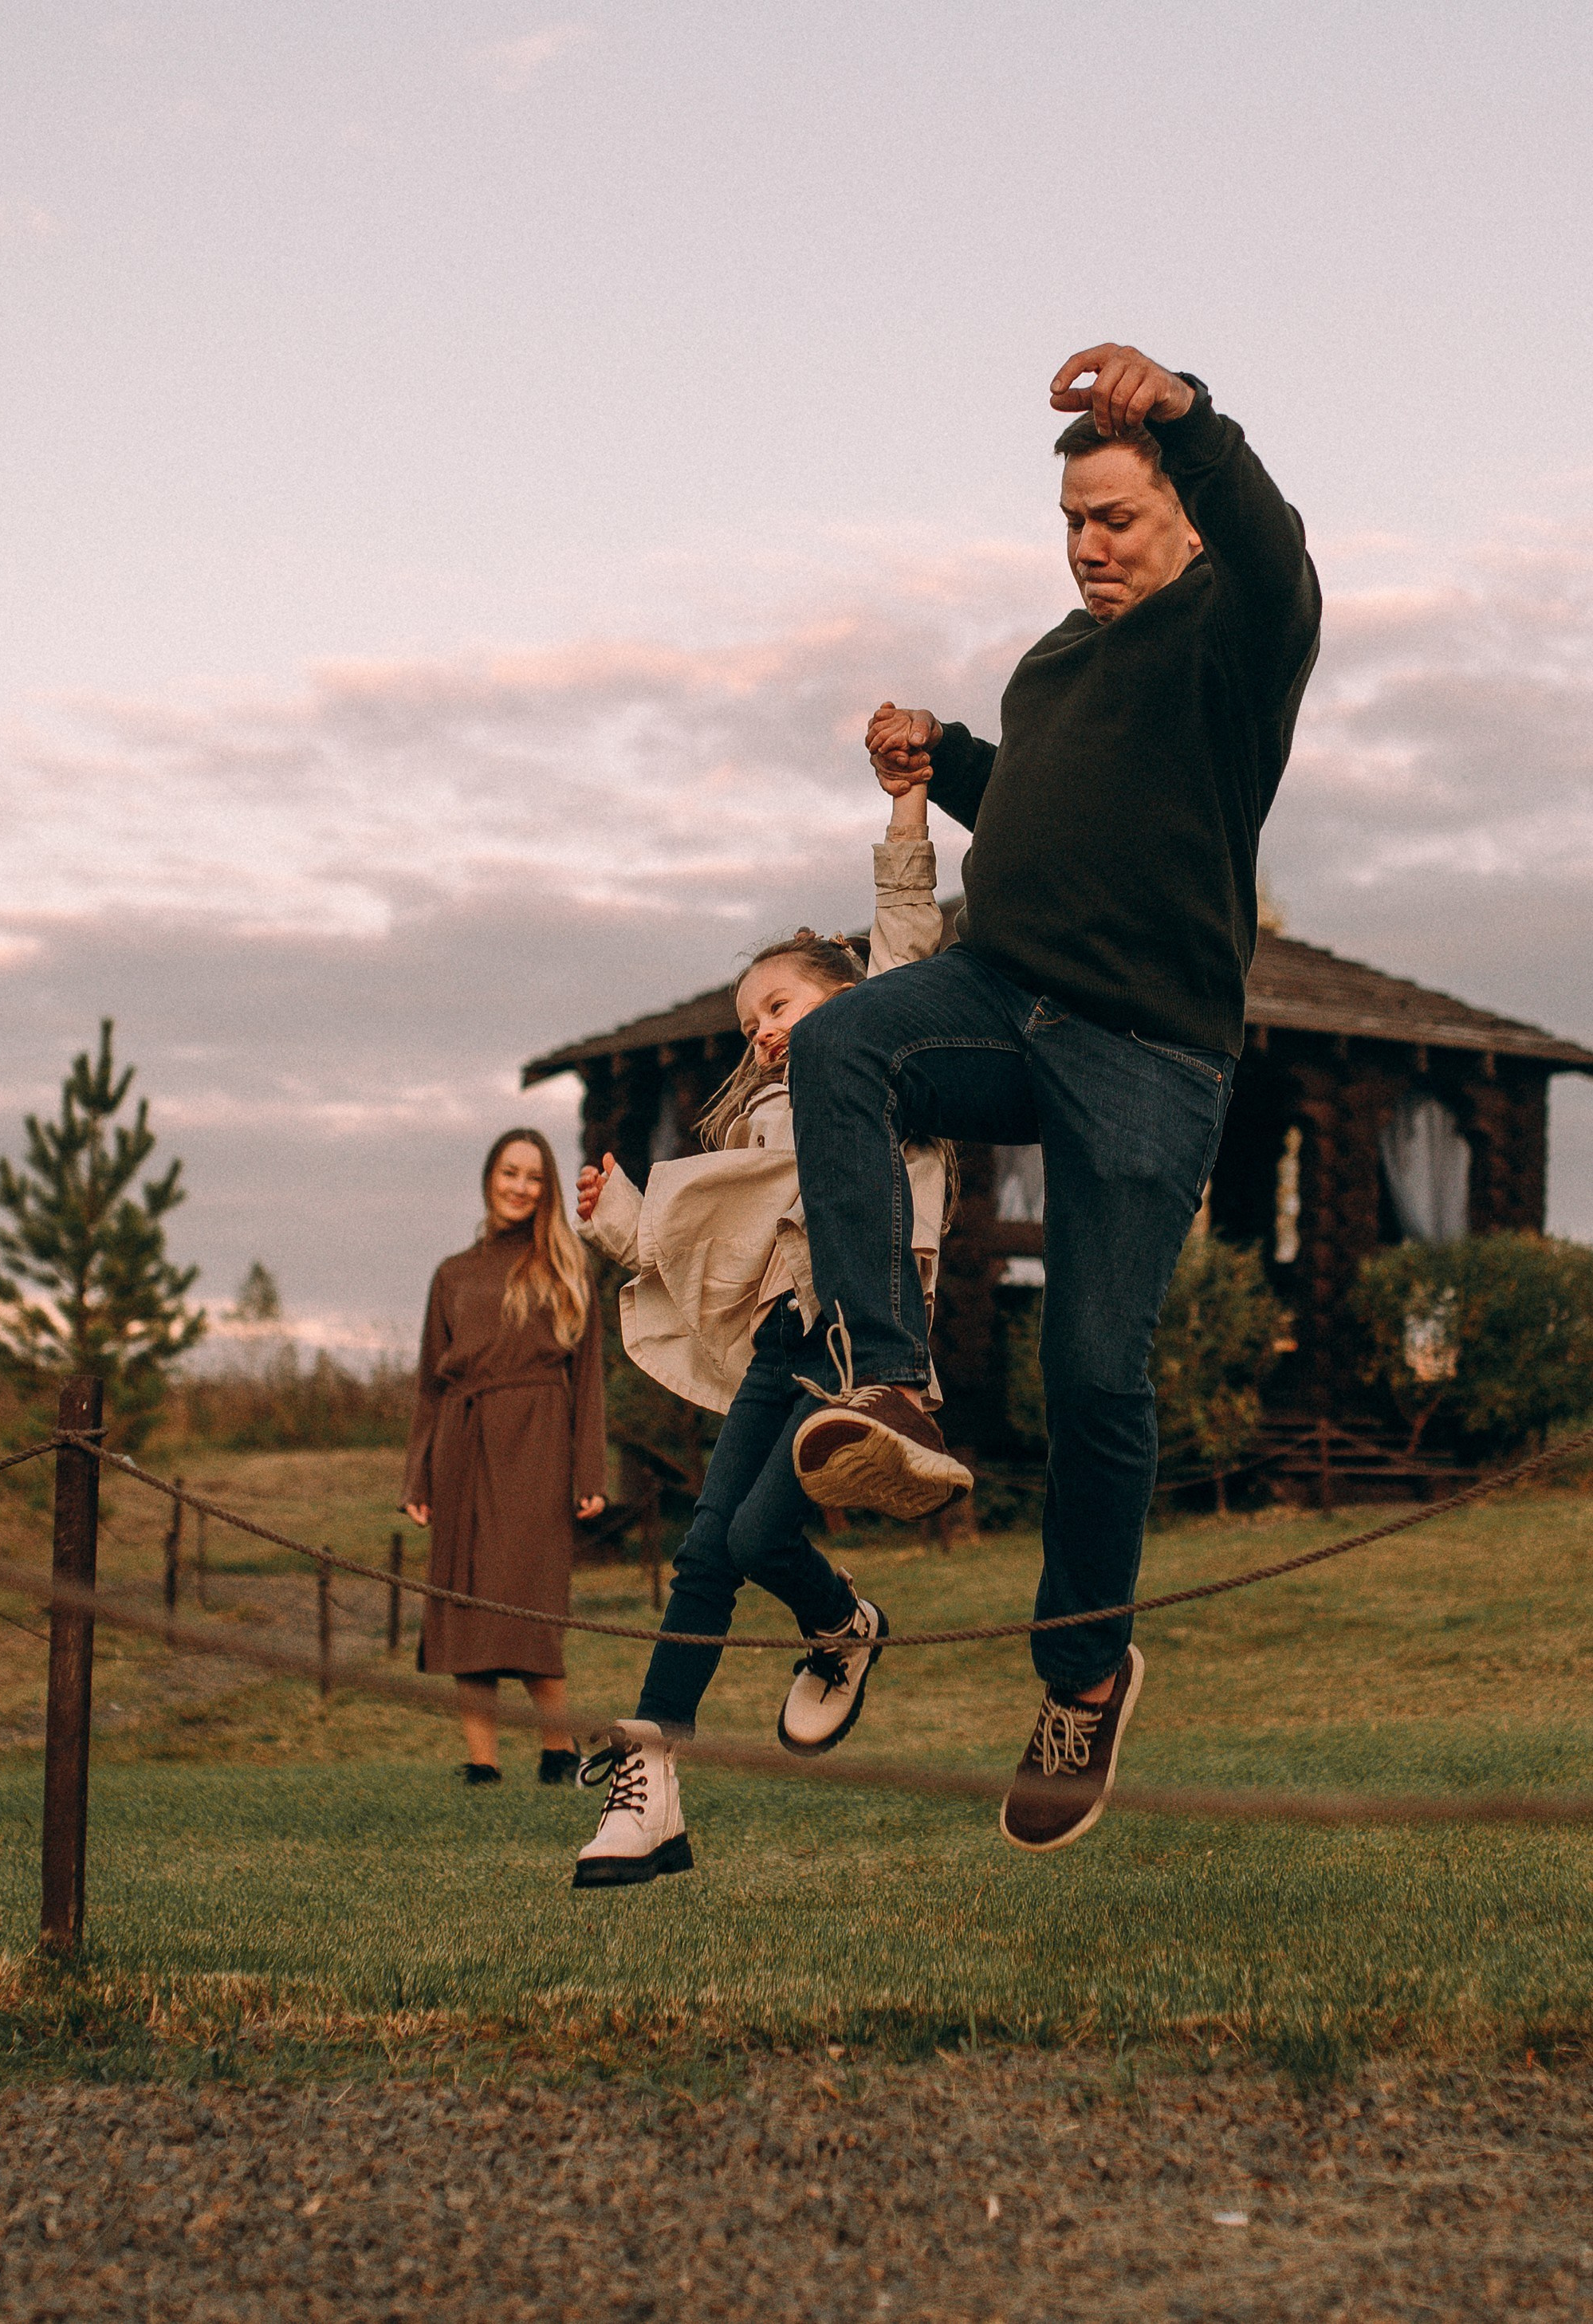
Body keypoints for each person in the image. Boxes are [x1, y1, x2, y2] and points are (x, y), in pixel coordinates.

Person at [786, 342, 1320, 1855]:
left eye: (1119, 520)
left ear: (1183, 519)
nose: (1089, 548)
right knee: (841, 1046)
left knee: (1087, 1377)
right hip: (1000, 994)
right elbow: (1040, 802)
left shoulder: (1235, 633)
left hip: (1150, 1048)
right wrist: (943, 756)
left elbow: (1279, 556)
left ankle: (1082, 1673)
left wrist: (1185, 414)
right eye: (1072, 525)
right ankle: (885, 1383)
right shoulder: (1053, 659)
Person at [568, 773, 957, 1888]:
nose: (767, 1034)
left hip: (867, 1346)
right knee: (706, 1548)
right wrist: (621, 1223)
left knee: (750, 1543)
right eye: (753, 1026)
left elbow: (909, 937)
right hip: (785, 1343)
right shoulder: (760, 1125)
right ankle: (650, 1788)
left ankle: (841, 1620)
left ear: (844, 989)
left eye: (780, 1007)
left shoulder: (892, 1065)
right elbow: (712, 1258)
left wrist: (904, 811)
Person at [403, 1127, 608, 1785]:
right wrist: (418, 1474)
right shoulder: (451, 1273)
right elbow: (429, 1384)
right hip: (462, 1444)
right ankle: (481, 1762)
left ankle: (557, 1749)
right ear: (489, 1176)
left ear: (546, 1188)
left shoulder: (565, 1265)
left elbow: (590, 1379)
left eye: (533, 1176)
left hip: (538, 1443)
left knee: (529, 1599)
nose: (519, 1186)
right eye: (509, 1172)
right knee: (465, 1602)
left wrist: (589, 1472)